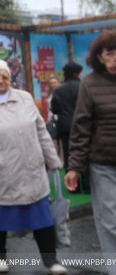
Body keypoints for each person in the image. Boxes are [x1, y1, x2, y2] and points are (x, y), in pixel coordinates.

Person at [0, 59, 66, 275]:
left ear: (10, 78)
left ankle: (51, 261)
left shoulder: (25, 98)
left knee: (42, 217)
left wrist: (53, 158)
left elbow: (41, 131)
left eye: (5, 77)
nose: (1, 81)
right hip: (1, 173)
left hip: (32, 170)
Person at [65, 31, 116, 275]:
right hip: (104, 163)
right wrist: (74, 166)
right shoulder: (90, 83)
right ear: (100, 57)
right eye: (111, 53)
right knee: (111, 222)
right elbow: (81, 126)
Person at [51, 62, 85, 190]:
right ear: (77, 73)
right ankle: (87, 185)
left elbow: (54, 109)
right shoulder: (83, 86)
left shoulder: (59, 89)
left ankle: (73, 186)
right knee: (85, 154)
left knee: (68, 154)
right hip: (83, 125)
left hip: (65, 126)